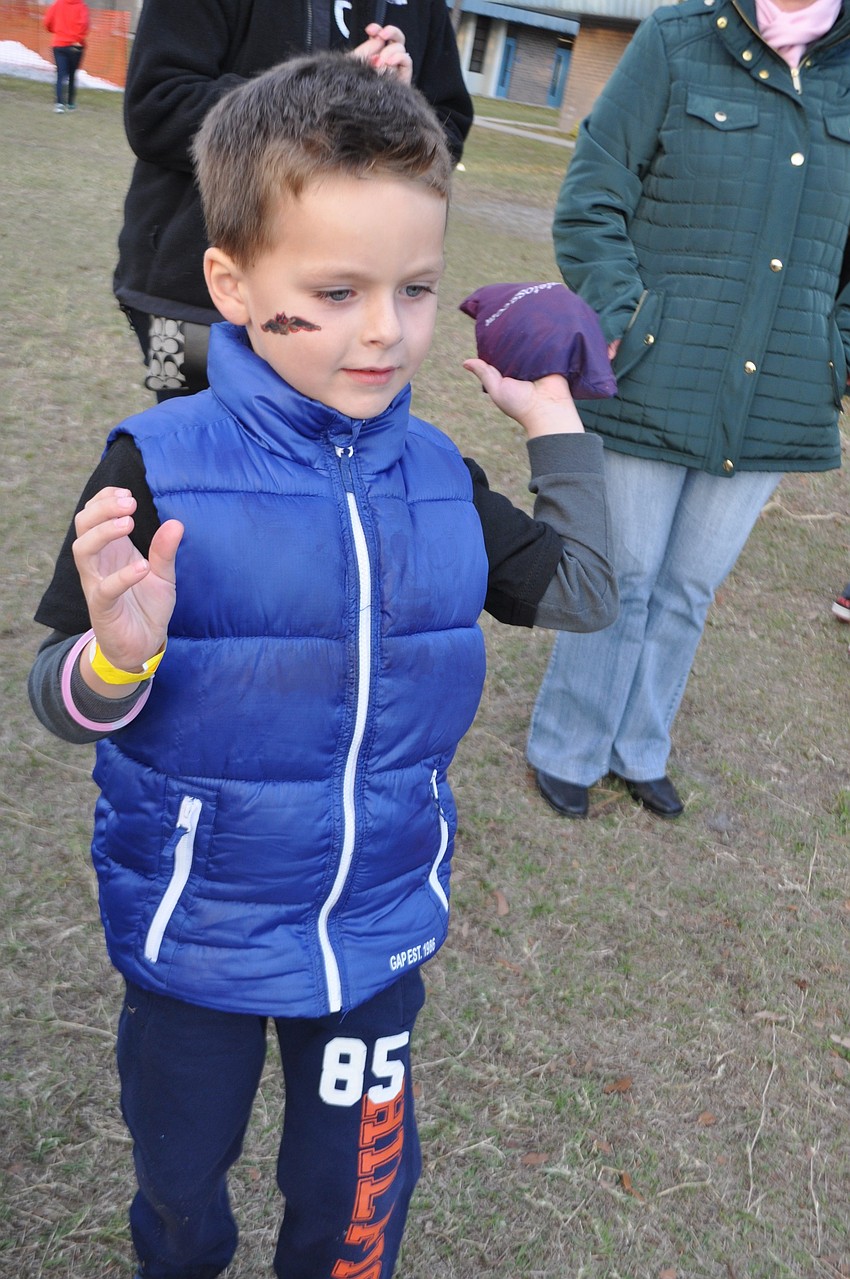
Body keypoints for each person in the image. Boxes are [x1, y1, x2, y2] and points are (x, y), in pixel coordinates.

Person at [29, 55, 617, 1279]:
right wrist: (117, 659)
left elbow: (581, 591)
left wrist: (555, 427)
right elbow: (60, 698)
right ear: (233, 284)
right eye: (336, 291)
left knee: (353, 1204)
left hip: (373, 934)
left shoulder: (439, 477)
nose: (385, 330)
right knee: (181, 1190)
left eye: (416, 288)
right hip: (196, 934)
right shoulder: (154, 464)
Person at [526, 0, 850, 821]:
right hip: (654, 373)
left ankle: (640, 746)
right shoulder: (676, 40)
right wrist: (627, 317)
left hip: (780, 393)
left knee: (690, 586)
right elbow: (594, 192)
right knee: (625, 572)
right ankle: (570, 743)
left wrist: (833, 353)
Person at [112, 0, 474, 401]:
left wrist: (397, 107)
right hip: (177, 297)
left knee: (331, 432)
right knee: (184, 428)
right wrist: (326, 93)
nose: (391, 332)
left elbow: (448, 127)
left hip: (352, 312)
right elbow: (155, 107)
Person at [43, 0, 89, 113]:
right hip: (76, 45)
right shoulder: (81, 6)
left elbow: (48, 21)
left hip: (59, 44)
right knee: (72, 74)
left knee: (60, 74)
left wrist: (56, 30)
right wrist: (78, 38)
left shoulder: (58, 4)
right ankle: (70, 103)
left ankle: (59, 103)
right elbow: (84, 24)